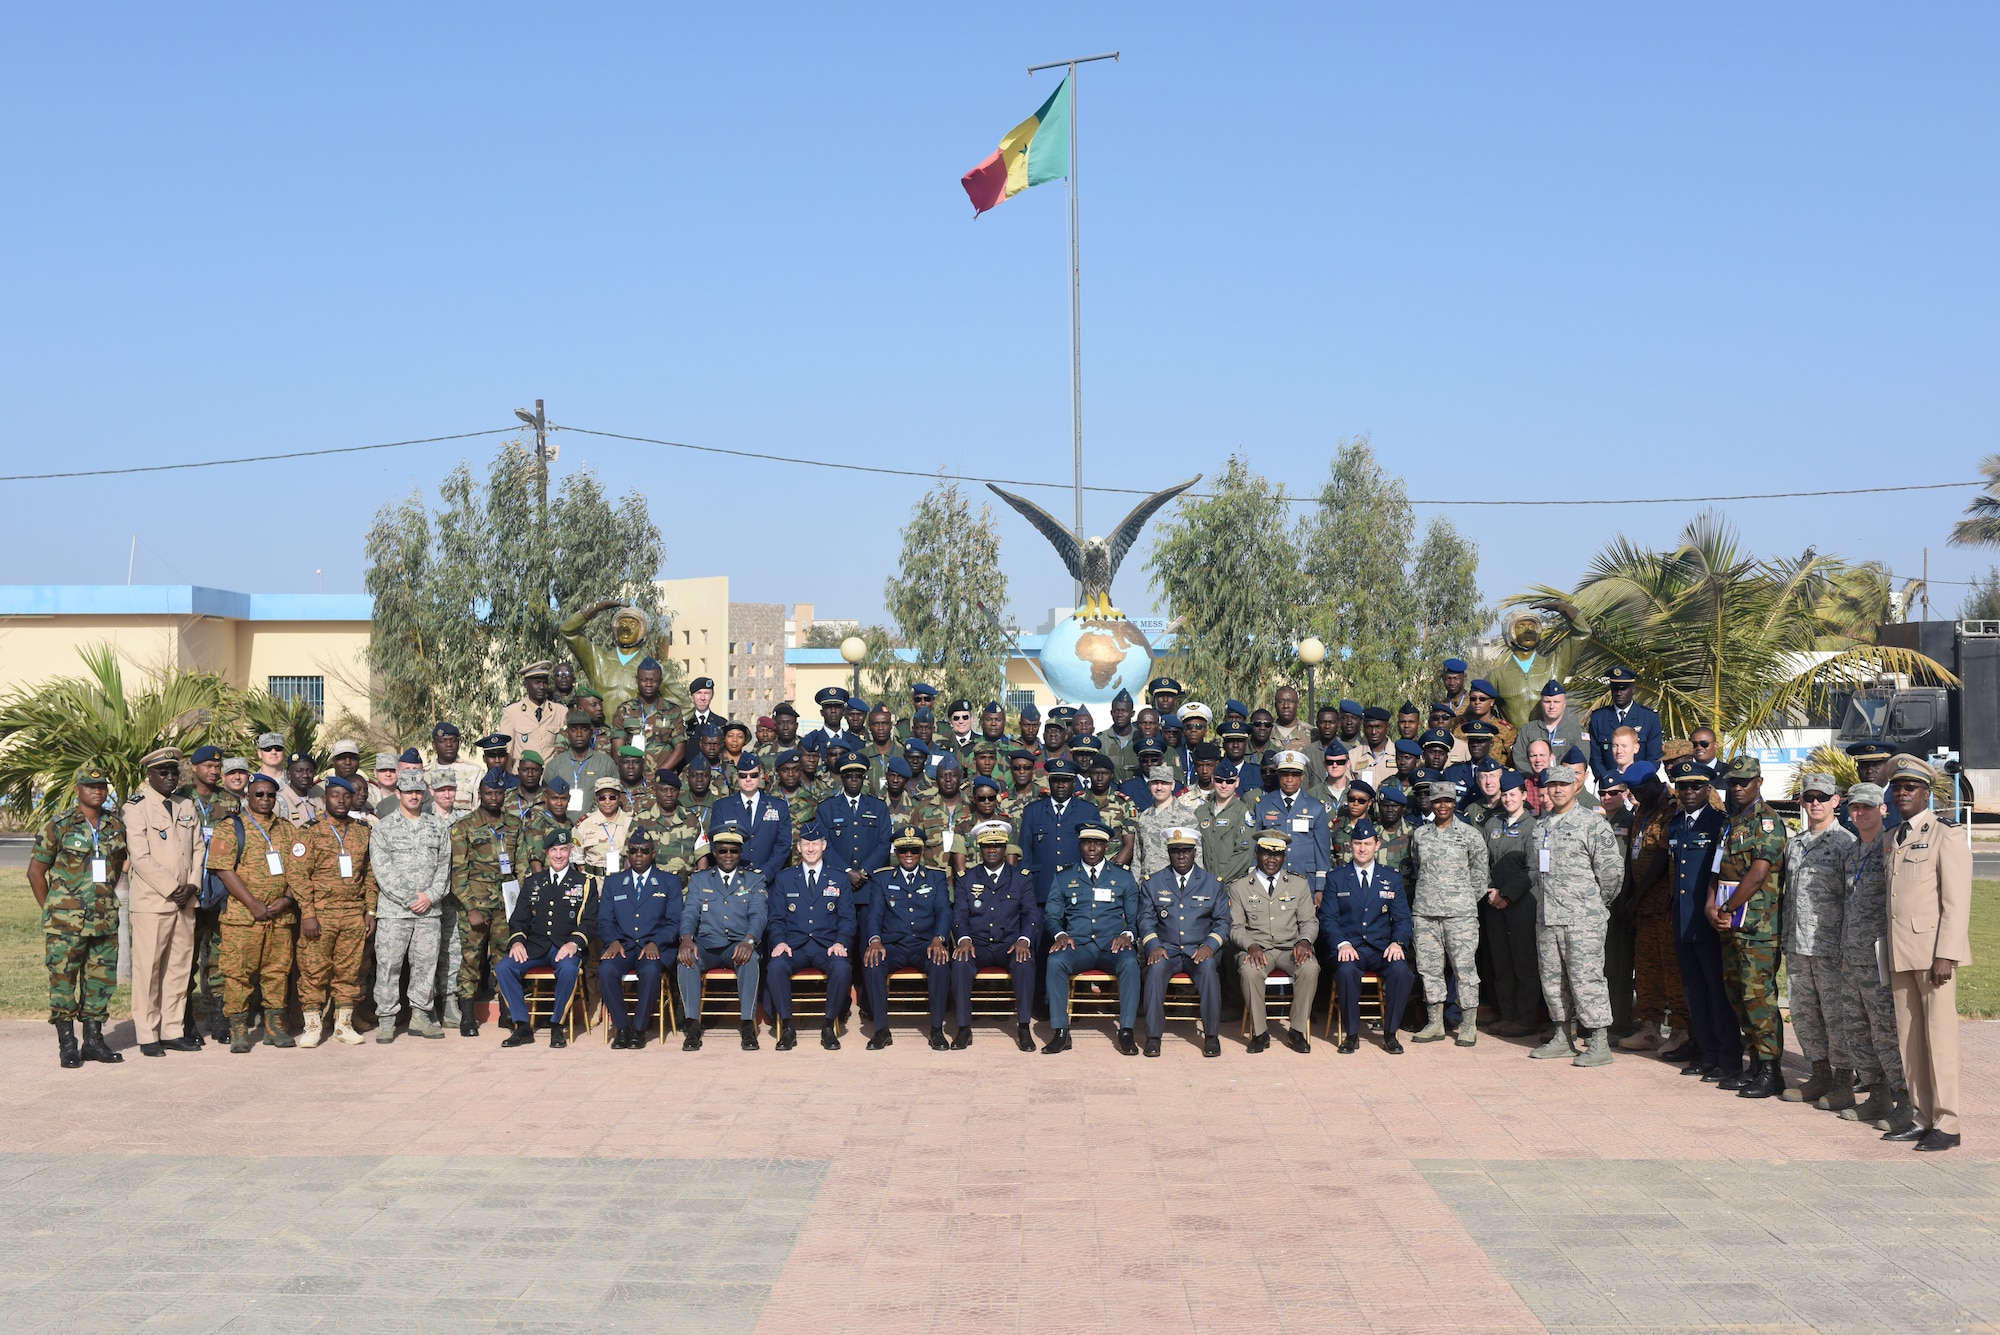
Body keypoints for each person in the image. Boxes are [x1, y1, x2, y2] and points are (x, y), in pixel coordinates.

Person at [1883, 754, 1971, 1150]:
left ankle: (1948, 1123)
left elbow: (1956, 901)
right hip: (1900, 953)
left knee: (1940, 1039)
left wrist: (1946, 954)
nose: (1902, 792)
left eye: (1911, 787)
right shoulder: (1892, 837)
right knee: (1910, 1040)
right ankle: (1921, 1115)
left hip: (1933, 955)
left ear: (1927, 793)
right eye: (1898, 786)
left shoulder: (1945, 834)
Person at [29, 764, 129, 1067]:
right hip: (64, 924)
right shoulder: (58, 826)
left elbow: (117, 864)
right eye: (90, 786)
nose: (97, 791)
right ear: (78, 790)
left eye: (102, 787)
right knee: (63, 981)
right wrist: (53, 909)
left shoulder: (114, 826)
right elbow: (36, 873)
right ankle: (68, 1044)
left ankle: (94, 1042)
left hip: (104, 919)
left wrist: (103, 899)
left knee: (100, 982)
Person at [1527, 764, 1626, 1068]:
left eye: (1563, 785)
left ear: (1575, 788)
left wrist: (1594, 906)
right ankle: (1562, 1036)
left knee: (1587, 978)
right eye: (1552, 784)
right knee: (1553, 980)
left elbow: (1611, 873)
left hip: (1583, 919)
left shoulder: (1592, 824)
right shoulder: (1541, 826)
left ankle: (1598, 1040)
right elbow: (1536, 871)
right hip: (1548, 917)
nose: (1557, 789)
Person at [1710, 756, 1789, 1098]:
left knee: (1759, 998)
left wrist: (1726, 907)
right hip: (1730, 924)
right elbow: (1718, 869)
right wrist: (1711, 909)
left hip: (1757, 926)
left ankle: (1772, 1070)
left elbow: (1758, 873)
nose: (1738, 787)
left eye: (1745, 781)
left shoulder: (1767, 821)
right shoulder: (1730, 822)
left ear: (1759, 782)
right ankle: (1755, 1064)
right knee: (1738, 996)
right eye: (1732, 782)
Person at [1779, 772, 1858, 1108]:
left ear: (1836, 802)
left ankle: (1844, 1081)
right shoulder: (1795, 844)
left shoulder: (1845, 844)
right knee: (1805, 1013)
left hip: (1830, 949)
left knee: (1836, 1015)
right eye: (1809, 797)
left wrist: (1846, 947)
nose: (1815, 804)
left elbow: (1852, 900)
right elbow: (1789, 896)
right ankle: (1819, 1073)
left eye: (1822, 798)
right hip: (1798, 946)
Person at [1836, 783, 1912, 1131]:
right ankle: (1877, 1095)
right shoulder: (1850, 852)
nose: (1860, 813)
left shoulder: (1892, 849)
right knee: (1856, 1029)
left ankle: (1905, 1102)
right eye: (1855, 808)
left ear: (1883, 810)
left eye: (1867, 807)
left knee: (1886, 1031)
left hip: (1881, 957)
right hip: (1851, 956)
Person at [206, 773, 301, 1052]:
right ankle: (238, 1028)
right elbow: (223, 869)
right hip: (242, 917)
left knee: (277, 971)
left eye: (270, 795)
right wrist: (253, 904)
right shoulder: (231, 827)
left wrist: (287, 899)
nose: (265, 799)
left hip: (280, 916)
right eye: (259, 794)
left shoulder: (286, 829)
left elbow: (300, 870)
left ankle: (274, 1027)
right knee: (238, 973)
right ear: (248, 796)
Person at [1662, 759, 1742, 1083]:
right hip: (1683, 921)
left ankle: (1728, 1058)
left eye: (1696, 786)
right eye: (1683, 786)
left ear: (1708, 789)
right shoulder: (1676, 823)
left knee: (1716, 993)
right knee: (1694, 992)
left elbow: (1721, 873)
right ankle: (1706, 1054)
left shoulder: (1719, 823)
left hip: (1708, 921)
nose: (1689, 791)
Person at [122, 748, 203, 1056]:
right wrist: (172, 888)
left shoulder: (186, 804)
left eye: (174, 772)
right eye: (163, 773)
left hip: (186, 900)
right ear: (150, 775)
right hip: (153, 901)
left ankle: (172, 1029)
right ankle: (146, 1033)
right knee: (149, 969)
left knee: (180, 967)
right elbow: (139, 857)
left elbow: (197, 849)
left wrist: (193, 884)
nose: (170, 778)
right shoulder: (136, 807)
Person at [367, 768, 454, 1043]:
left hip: (430, 910)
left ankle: (420, 1015)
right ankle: (387, 1019)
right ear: (398, 794)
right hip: (394, 912)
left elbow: (444, 868)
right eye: (408, 792)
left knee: (426, 965)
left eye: (418, 791)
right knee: (389, 965)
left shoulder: (438, 826)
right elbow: (382, 870)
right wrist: (410, 898)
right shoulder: (383, 828)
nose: (414, 796)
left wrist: (430, 895)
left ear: (425, 793)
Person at [1042, 823, 1142, 1055]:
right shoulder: (1064, 877)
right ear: (1080, 846)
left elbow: (1137, 917)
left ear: (1107, 847)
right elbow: (1051, 915)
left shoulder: (1123, 877)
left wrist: (1128, 935)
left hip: (1112, 945)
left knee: (1130, 963)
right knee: (1055, 962)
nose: (1092, 848)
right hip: (1078, 945)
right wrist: (1060, 934)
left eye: (1098, 843)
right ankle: (1060, 1032)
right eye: (1087, 843)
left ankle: (1126, 1031)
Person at [1317, 822, 1417, 1054]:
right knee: (1346, 971)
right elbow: (1328, 918)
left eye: (1368, 844)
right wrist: (1341, 943)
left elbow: (1403, 918)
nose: (1362, 849)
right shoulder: (1337, 877)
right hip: (1349, 947)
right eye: (1358, 843)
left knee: (1402, 973)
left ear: (1377, 845)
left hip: (1382, 948)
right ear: (1351, 845)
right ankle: (1352, 1035)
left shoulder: (1391, 877)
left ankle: (1390, 1033)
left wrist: (1398, 942)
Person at [1220, 823, 1317, 1054]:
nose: (1271, 859)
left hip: (1290, 948)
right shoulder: (1240, 886)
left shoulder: (1298, 883)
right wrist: (1250, 945)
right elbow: (1235, 927)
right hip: (1257, 948)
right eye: (1266, 853)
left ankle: (1296, 1030)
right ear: (1256, 854)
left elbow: (1309, 922)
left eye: (1277, 854)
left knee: (1311, 968)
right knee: (1249, 971)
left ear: (1284, 856)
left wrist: (1305, 941)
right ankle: (1260, 1033)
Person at [294, 776, 375, 1047]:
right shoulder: (310, 831)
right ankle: (313, 1025)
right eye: (334, 795)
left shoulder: (362, 830)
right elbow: (298, 875)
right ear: (325, 799)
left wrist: (370, 910)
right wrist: (308, 913)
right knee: (313, 970)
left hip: (353, 912)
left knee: (349, 972)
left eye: (346, 796)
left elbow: (370, 874)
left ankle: (343, 1025)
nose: (341, 801)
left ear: (353, 799)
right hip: (320, 913)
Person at [495, 830, 592, 1049]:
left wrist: (574, 942)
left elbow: (590, 921)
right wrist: (518, 941)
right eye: (554, 850)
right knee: (504, 968)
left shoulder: (584, 882)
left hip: (565, 947)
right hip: (535, 947)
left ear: (571, 851)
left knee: (568, 970)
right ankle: (522, 1025)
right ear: (547, 853)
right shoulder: (533, 882)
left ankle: (557, 1026)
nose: (559, 855)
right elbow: (518, 918)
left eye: (563, 849)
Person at [1138, 826, 1229, 1057]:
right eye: (1175, 850)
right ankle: (1153, 1037)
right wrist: (1153, 945)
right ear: (1169, 853)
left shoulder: (1213, 883)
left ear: (1194, 852)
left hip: (1199, 949)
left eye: (1186, 851)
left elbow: (1223, 922)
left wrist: (1210, 945)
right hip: (1166, 949)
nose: (1181, 856)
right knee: (1155, 970)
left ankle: (1211, 1036)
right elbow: (1145, 920)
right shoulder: (1153, 882)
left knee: (1209, 971)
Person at [765, 821, 856, 1051]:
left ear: (824, 845)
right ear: (798, 847)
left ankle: (828, 1026)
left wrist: (841, 941)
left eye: (815, 843)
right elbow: (775, 918)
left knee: (842, 967)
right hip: (794, 946)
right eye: (806, 844)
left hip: (826, 946)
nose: (811, 849)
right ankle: (787, 1027)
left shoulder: (839, 878)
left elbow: (847, 918)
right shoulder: (784, 879)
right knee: (775, 967)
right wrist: (779, 941)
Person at [1408, 784, 1488, 1045]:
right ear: (1430, 803)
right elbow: (1418, 866)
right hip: (1425, 913)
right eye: (1437, 801)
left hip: (1460, 915)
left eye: (1448, 801)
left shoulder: (1470, 835)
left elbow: (1479, 876)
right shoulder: (1420, 835)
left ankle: (1468, 1024)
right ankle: (1435, 1022)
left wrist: (1462, 900)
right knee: (1429, 969)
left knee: (1464, 970)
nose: (1442, 806)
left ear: (1455, 803)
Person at [449, 774, 529, 1037]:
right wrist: (470, 908)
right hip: (476, 906)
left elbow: (520, 864)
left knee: (505, 960)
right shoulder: (465, 826)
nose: (493, 798)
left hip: (507, 906)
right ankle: (468, 1017)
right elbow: (458, 872)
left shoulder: (515, 824)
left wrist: (520, 903)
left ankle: (507, 1012)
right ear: (480, 794)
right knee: (471, 960)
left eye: (498, 793)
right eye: (488, 793)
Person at [861, 827, 953, 1050]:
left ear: (921, 851)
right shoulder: (882, 878)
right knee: (873, 963)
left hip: (926, 944)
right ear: (896, 852)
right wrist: (874, 940)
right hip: (894, 945)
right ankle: (881, 1030)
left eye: (913, 849)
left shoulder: (936, 876)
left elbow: (944, 911)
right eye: (903, 850)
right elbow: (874, 914)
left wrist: (939, 938)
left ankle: (936, 1029)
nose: (908, 854)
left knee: (940, 963)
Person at [676, 826, 768, 1052]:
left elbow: (759, 914)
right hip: (708, 945)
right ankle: (693, 1025)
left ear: (741, 853)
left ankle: (747, 1024)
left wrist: (749, 940)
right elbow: (690, 912)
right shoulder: (700, 880)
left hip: (737, 945)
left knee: (750, 959)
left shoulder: (754, 880)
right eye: (723, 851)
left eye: (734, 851)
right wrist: (686, 939)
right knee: (686, 959)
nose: (728, 855)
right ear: (714, 853)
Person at [951, 825, 1039, 1051]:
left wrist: (1024, 940)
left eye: (997, 845)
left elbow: (1031, 913)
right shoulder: (966, 878)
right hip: (976, 944)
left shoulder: (1021, 878)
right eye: (987, 846)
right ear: (980, 848)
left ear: (1005, 848)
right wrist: (963, 939)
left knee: (1024, 961)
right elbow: (959, 914)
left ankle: (1023, 1027)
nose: (992, 850)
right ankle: (963, 1028)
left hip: (1008, 945)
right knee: (960, 962)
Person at [597, 828, 681, 1049]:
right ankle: (622, 1028)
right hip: (622, 945)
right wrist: (613, 940)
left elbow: (675, 922)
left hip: (654, 946)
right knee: (606, 970)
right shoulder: (614, 883)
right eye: (634, 851)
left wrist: (657, 942)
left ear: (653, 853)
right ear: (628, 854)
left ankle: (640, 1030)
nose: (639, 855)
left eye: (644, 851)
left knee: (651, 971)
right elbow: (604, 921)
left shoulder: (668, 882)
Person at [176, 743, 237, 1041]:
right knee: (186, 957)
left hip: (220, 889)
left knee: (219, 956)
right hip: (188, 889)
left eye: (217, 767)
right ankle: (186, 1019)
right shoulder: (179, 799)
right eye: (208, 766)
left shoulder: (229, 801)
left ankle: (218, 1017)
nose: (214, 771)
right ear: (194, 767)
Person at [1479, 772, 1541, 1037]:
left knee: (1523, 961)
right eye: (1504, 795)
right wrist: (1490, 891)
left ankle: (1526, 1018)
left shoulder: (1533, 826)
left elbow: (1534, 868)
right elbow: (1481, 861)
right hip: (1493, 903)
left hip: (1522, 903)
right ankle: (1506, 1014)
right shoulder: (1493, 824)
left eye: (1513, 794)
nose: (1507, 799)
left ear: (1525, 796)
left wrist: (1506, 894)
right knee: (1500, 961)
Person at [1252, 751, 1332, 901]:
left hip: (1306, 879)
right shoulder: (1263, 804)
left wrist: (1320, 887)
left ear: (1302, 776)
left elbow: (1322, 851)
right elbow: (1255, 847)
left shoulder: (1315, 807)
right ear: (1278, 775)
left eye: (1295, 775)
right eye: (1284, 774)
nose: (1289, 779)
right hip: (1271, 877)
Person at [1019, 758, 1101, 903]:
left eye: (1066, 780)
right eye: (1056, 780)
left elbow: (1095, 852)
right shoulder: (1032, 811)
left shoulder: (1088, 811)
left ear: (1074, 783)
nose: (1061, 785)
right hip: (1041, 887)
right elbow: (1025, 854)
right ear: (1049, 782)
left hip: (1078, 887)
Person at [708, 755, 793, 882]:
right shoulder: (722, 806)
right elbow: (716, 843)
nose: (748, 779)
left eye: (753, 775)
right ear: (737, 777)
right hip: (733, 879)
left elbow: (784, 844)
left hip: (769, 880)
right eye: (743, 776)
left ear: (761, 776)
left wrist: (765, 873)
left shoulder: (778, 806)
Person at [1585, 666, 1664, 785]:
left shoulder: (1649, 718)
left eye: (1623, 688)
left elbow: (1654, 757)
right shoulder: (1598, 718)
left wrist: (1637, 780)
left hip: (1640, 785)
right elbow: (1595, 757)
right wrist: (1610, 781)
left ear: (1633, 689)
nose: (1619, 693)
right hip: (1608, 787)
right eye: (1615, 688)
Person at [611, 656, 687, 774]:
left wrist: (660, 774)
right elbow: (618, 751)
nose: (649, 684)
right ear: (637, 680)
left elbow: (680, 750)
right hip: (632, 780)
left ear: (660, 682)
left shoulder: (672, 711)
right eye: (644, 680)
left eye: (654, 680)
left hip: (663, 782)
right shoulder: (624, 710)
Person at [499, 662, 566, 773]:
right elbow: (507, 751)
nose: (542, 687)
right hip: (521, 779)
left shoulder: (560, 712)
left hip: (551, 778)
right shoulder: (511, 712)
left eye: (545, 683)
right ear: (526, 685)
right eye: (537, 682)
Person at [1133, 766, 1197, 880]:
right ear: (1149, 785)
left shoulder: (1186, 817)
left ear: (1172, 785)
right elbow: (1137, 857)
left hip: (1173, 885)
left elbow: (1196, 856)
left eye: (1164, 783)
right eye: (1154, 783)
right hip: (1147, 884)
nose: (1159, 787)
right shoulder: (1143, 817)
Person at [1512, 681, 1587, 775]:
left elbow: (1581, 762)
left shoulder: (1576, 731)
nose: (1552, 706)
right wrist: (1535, 779)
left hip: (1565, 785)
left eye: (1556, 702)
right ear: (1541, 703)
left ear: (1564, 704)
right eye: (1547, 702)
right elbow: (1519, 758)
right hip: (1534, 785)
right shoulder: (1527, 730)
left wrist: (1559, 779)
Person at [550, 709, 618, 803]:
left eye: (584, 729)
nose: (579, 734)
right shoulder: (555, 765)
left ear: (591, 732)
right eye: (574, 730)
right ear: (567, 732)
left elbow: (615, 798)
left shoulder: (606, 763)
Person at [573, 778, 635, 878]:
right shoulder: (584, 824)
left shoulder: (631, 822)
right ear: (596, 799)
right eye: (602, 798)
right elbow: (578, 859)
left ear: (619, 797)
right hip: (593, 879)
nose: (607, 802)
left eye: (612, 797)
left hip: (623, 879)